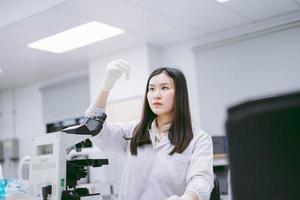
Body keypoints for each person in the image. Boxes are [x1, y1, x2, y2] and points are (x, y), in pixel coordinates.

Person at [85, 60, 214, 200]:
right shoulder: (133, 131)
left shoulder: (199, 139)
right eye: (151, 89)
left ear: (180, 94)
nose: (156, 95)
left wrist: (187, 198)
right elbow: (92, 129)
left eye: (164, 88)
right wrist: (106, 85)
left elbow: (201, 181)